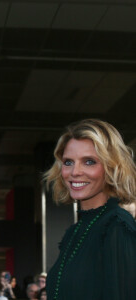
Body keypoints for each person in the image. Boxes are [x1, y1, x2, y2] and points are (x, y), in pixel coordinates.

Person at [44, 119, 136, 300]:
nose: (75, 172)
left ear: (111, 167)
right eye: (68, 162)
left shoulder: (117, 226)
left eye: (89, 162)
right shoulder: (76, 230)